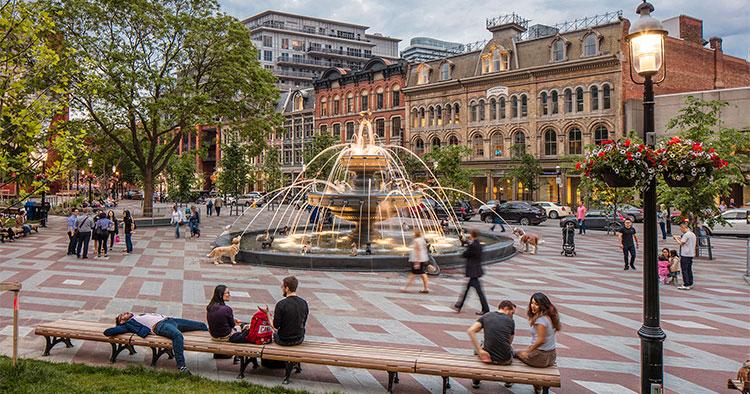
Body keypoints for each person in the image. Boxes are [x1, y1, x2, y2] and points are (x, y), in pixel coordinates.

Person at [104, 311, 208, 375]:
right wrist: (120, 326)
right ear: (122, 322)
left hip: (171, 320)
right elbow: (108, 332)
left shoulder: (137, 316)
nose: (124, 313)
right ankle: (181, 366)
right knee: (177, 336)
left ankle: (219, 350)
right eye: (121, 315)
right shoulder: (128, 324)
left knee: (202, 325)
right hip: (160, 326)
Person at [515, 292, 560, 394]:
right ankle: (539, 386)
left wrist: (527, 351)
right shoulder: (551, 316)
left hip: (540, 357)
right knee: (520, 353)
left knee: (515, 353)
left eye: (536, 304)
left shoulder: (540, 321)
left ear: (543, 305)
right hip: (551, 356)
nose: (533, 306)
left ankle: (508, 380)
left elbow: (540, 340)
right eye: (532, 303)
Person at [467, 300, 517, 389]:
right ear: (506, 309)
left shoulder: (486, 316)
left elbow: (471, 330)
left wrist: (480, 350)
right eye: (512, 313)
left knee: (477, 349)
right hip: (504, 360)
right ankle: (508, 380)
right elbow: (509, 342)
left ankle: (476, 379)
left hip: (487, 357)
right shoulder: (511, 321)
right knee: (511, 349)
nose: (512, 316)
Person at [454, 229, 490, 315]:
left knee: (478, 292)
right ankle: (459, 305)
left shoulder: (473, 245)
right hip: (476, 270)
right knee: (467, 289)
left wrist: (466, 247)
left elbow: (465, 254)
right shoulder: (478, 244)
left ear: (472, 235)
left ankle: (485, 309)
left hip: (473, 271)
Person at [271, 276, 308, 346]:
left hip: (283, 340)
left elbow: (275, 326)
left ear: (287, 288)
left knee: (273, 333)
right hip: (299, 339)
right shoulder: (304, 303)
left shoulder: (281, 304)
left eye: (282, 287)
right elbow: (303, 322)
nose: (282, 288)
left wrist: (267, 314)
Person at [401, 229, 430, 294]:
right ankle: (426, 288)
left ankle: (405, 288)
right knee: (422, 273)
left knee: (414, 274)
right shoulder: (422, 239)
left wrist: (417, 262)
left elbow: (418, 251)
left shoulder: (416, 240)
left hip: (418, 259)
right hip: (423, 258)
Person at [674, 223, 696, 290]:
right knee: (689, 269)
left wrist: (676, 238)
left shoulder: (686, 235)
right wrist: (679, 237)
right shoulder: (692, 234)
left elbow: (681, 243)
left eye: (681, 229)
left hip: (685, 254)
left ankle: (686, 284)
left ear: (684, 228)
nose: (681, 230)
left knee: (684, 269)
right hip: (691, 254)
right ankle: (690, 282)